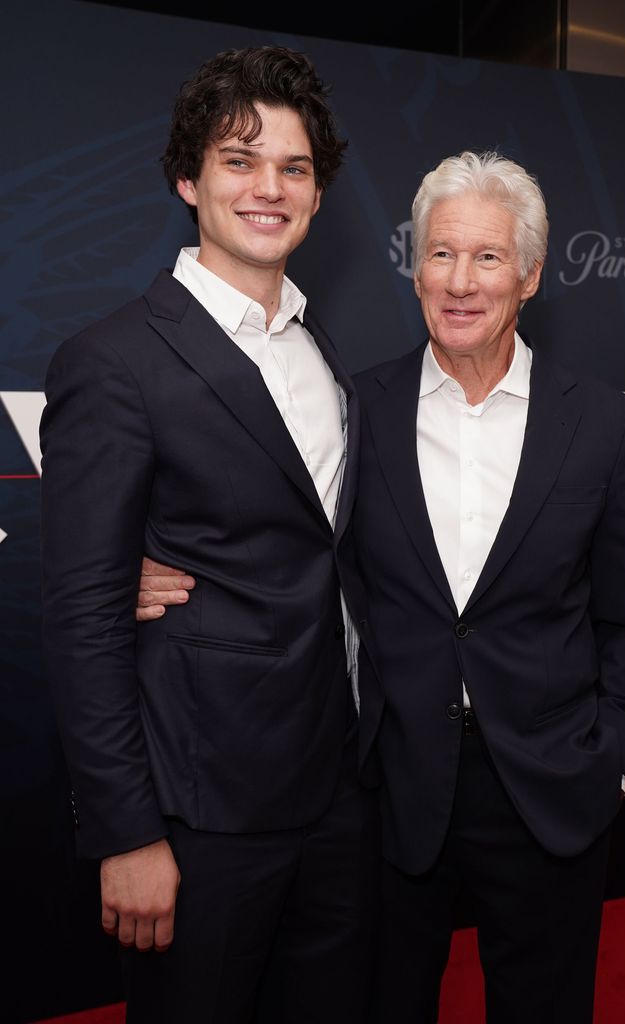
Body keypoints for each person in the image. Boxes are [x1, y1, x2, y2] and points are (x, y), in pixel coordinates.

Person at [141, 150, 625, 1023]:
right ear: (414, 265)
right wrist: (130, 563)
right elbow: (265, 525)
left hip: (549, 788)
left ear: (531, 276)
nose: (461, 282)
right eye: (441, 253)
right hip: (389, 791)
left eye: (489, 257)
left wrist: (612, 762)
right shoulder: (357, 407)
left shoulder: (603, 422)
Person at [40, 46, 379, 1024]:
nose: (269, 187)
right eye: (240, 160)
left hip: (338, 797)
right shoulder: (112, 360)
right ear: (188, 179)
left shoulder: (322, 353)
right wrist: (125, 833)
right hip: (199, 820)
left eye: (295, 167)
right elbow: (83, 618)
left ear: (317, 195)